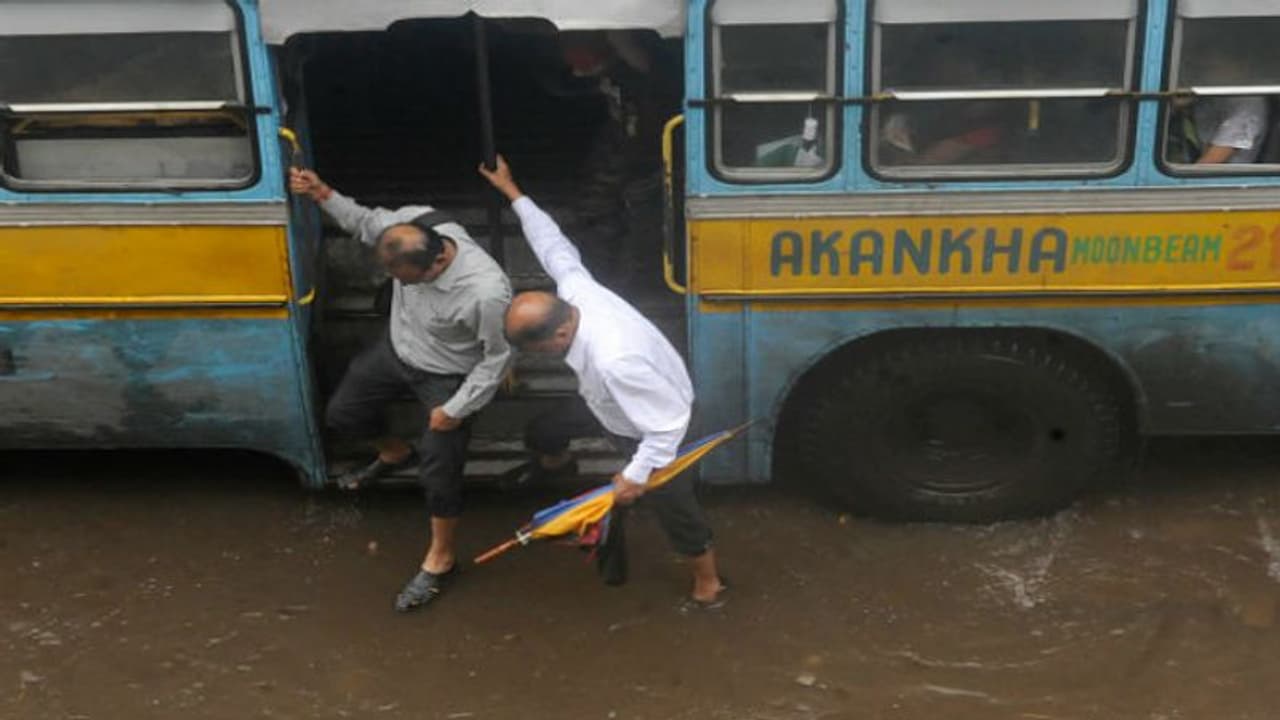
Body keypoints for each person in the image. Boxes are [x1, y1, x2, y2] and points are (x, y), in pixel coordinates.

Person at [478, 156, 728, 611]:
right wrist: (513, 192)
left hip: (658, 426)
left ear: (559, 334)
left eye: (535, 350)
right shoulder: (575, 292)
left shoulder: (614, 361)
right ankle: (555, 466)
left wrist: (632, 477)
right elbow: (554, 246)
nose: (535, 358)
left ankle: (708, 585)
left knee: (674, 505)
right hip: (608, 406)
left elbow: (666, 427)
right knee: (545, 429)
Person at [290, 168, 512, 612]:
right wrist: (322, 193)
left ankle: (441, 558)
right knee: (342, 415)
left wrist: (456, 407)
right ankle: (393, 452)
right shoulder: (411, 224)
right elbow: (363, 220)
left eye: (410, 280)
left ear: (439, 262)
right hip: (397, 350)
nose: (403, 285)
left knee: (440, 470)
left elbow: (498, 358)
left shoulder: (485, 292)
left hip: (448, 376)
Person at [1169, 95, 1269, 164]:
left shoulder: (1248, 103)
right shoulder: (1206, 94)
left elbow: (1211, 161)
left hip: (1222, 179)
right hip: (1192, 154)